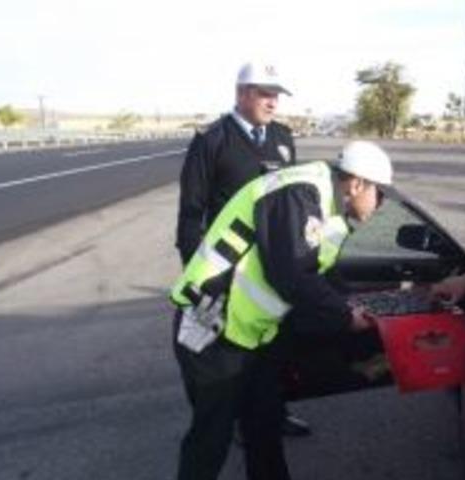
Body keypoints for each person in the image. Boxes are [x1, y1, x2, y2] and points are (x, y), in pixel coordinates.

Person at [170, 141, 393, 480]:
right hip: (210, 327)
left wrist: (350, 304)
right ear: (358, 183)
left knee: (264, 423)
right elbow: (290, 273)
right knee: (211, 438)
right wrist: (346, 317)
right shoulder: (298, 193)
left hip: (250, 333)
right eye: (381, 193)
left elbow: (321, 274)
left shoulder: (329, 212)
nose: (381, 204)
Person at [175, 60, 310, 436]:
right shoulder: (211, 140)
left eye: (277, 95)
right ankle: (230, 422)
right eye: (265, 94)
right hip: (227, 273)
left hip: (272, 270)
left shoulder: (283, 138)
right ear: (242, 94)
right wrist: (200, 277)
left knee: (273, 349)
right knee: (229, 355)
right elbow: (190, 216)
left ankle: (274, 413)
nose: (273, 102)